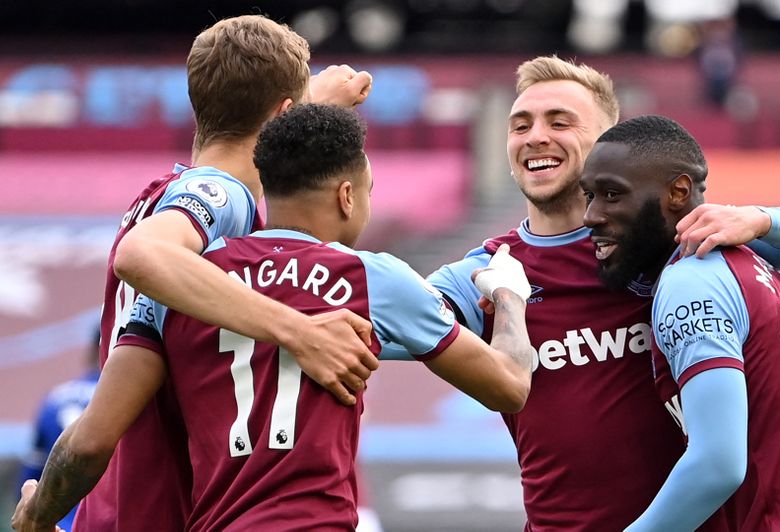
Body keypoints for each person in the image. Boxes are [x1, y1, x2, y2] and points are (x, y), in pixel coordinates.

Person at [12, 103, 534, 532]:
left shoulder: (179, 288)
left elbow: (89, 442)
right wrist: (509, 295)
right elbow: (508, 386)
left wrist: (36, 515)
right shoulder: (371, 280)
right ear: (347, 196)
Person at [422, 56, 780, 530]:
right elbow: (379, 321)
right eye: (520, 125)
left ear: (608, 141)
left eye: (559, 121)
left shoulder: (674, 242)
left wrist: (760, 217)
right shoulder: (490, 272)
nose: (535, 136)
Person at [68, 15, 378, 532]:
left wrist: (39, 510)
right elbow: (142, 257)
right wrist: (297, 330)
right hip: (166, 509)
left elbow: (96, 433)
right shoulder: (222, 198)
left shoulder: (156, 196)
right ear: (283, 114)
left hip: (110, 509)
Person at [580, 114, 780, 531]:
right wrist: (762, 219)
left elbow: (717, 466)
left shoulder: (691, 282)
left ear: (678, 192)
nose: (591, 215)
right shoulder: (740, 255)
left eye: (611, 195)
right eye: (589, 195)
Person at [18, 330, 100, 532]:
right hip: (104, 521)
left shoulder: (54, 397)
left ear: (91, 351)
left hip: (54, 523)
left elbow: (31, 474)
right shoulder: (130, 398)